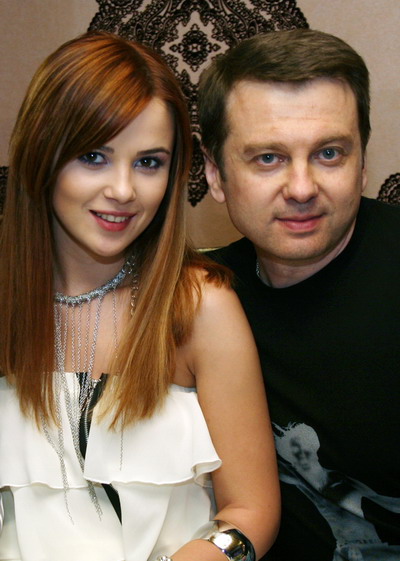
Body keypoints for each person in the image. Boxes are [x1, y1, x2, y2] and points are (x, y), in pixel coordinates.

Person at [0, 32, 280, 561]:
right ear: (41, 154)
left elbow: (250, 510)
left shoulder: (200, 305)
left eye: (149, 162)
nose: (124, 190)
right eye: (94, 156)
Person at [198, 28, 400, 561]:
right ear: (216, 173)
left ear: (362, 163)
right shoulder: (198, 298)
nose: (303, 187)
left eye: (329, 153)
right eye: (268, 158)